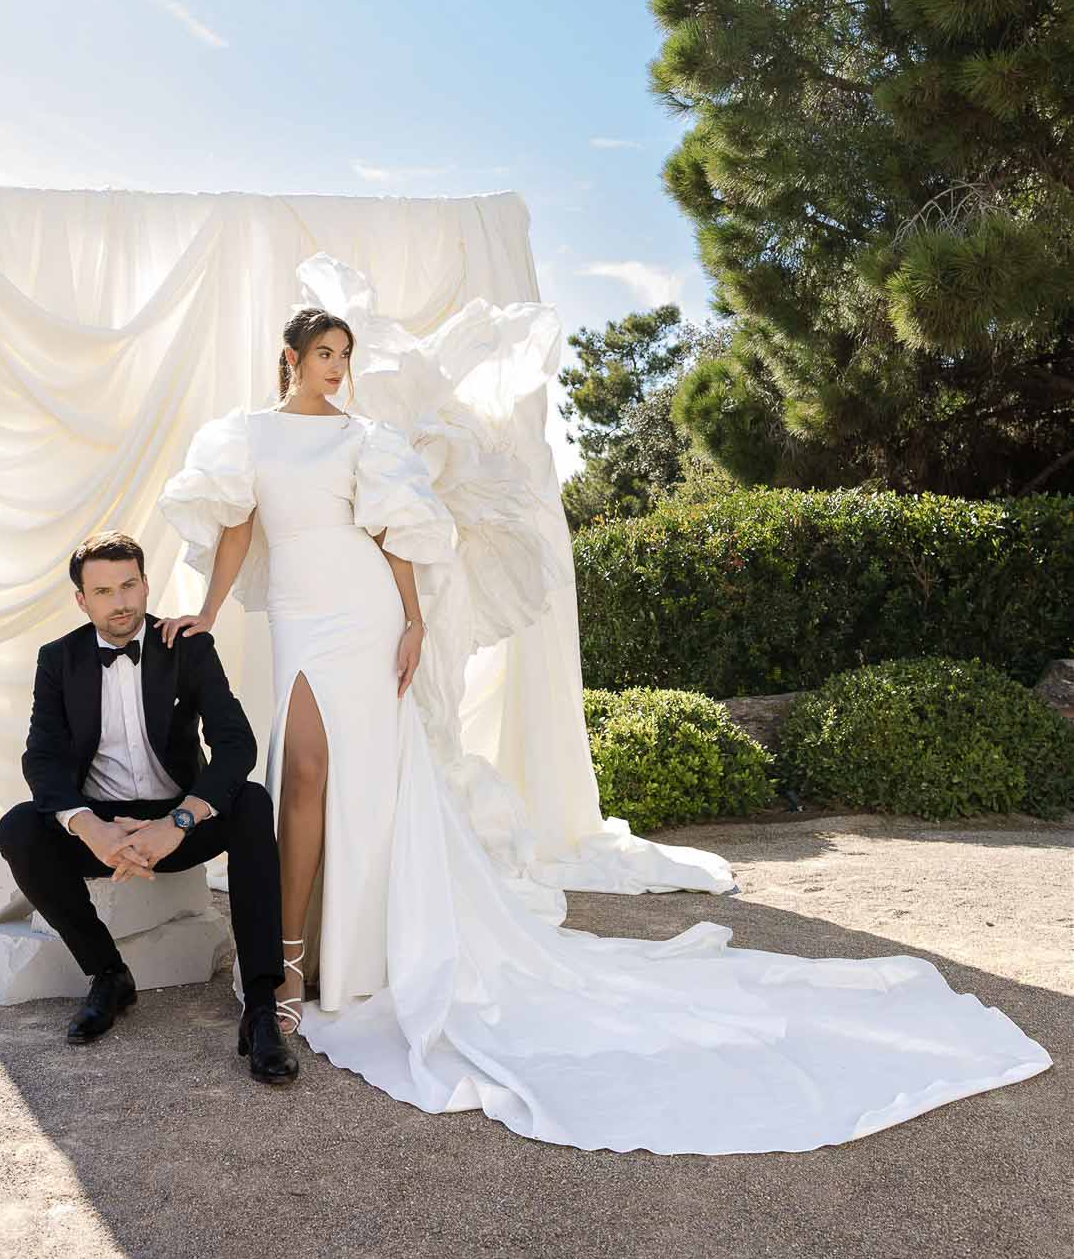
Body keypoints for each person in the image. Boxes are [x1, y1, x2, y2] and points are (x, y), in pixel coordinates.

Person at [154, 261, 1052, 1155]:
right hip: (302, 620)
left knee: (353, 781)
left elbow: (398, 535)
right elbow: (236, 526)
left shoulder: (363, 439)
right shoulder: (246, 438)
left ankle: (320, 964)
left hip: (365, 612)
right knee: (300, 774)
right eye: (322, 353)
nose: (336, 367)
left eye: (343, 353)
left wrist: (415, 621)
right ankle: (290, 957)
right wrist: (208, 606)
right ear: (288, 358)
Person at [0, 532, 297, 1083]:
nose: (121, 602)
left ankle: (259, 1008)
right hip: (104, 828)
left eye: (130, 585)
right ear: (82, 600)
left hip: (177, 823)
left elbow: (235, 743)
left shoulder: (186, 645)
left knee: (251, 803)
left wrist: (179, 822)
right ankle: (109, 974)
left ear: (146, 583)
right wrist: (89, 829)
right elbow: (44, 758)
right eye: (104, 591)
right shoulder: (58, 660)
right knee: (18, 828)